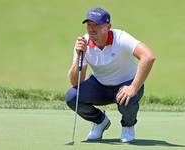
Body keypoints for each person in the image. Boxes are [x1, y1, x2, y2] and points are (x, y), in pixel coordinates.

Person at [65, 8, 155, 143]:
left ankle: (128, 126)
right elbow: (75, 81)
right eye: (89, 24)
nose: (92, 29)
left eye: (97, 25)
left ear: (108, 27)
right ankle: (100, 121)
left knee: (128, 100)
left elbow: (148, 57)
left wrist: (133, 87)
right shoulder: (83, 43)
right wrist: (79, 56)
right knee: (72, 97)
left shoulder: (121, 38)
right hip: (100, 86)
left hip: (126, 84)